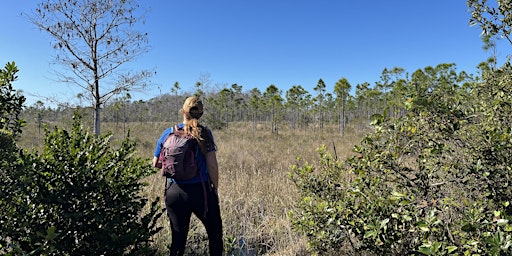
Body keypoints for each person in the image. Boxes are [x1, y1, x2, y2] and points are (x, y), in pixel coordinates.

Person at [152, 96, 223, 256]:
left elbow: (155, 163)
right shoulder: (204, 133)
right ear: (201, 114)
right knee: (215, 234)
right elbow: (212, 165)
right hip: (201, 191)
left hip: (173, 192)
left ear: (183, 111)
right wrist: (215, 190)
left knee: (178, 241)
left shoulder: (168, 132)